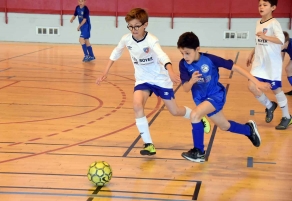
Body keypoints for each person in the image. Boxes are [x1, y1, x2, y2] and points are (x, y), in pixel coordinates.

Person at [95, 8, 210, 156]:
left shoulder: (151, 40)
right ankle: (148, 144)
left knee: (174, 111)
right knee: (137, 105)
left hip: (160, 79)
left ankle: (198, 116)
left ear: (145, 25)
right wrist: (105, 72)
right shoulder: (126, 39)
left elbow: (163, 56)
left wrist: (170, 71)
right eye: (130, 26)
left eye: (137, 26)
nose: (133, 29)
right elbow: (116, 52)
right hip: (143, 80)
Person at [177, 31, 271, 163]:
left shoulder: (210, 59)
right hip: (201, 99)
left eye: (187, 53)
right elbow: (186, 89)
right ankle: (248, 130)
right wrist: (191, 81)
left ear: (197, 49)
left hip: (216, 95)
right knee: (224, 126)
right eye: (182, 53)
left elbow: (237, 68)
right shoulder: (183, 64)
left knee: (194, 115)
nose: (185, 56)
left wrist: (257, 82)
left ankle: (199, 152)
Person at [246, 0, 291, 130]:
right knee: (251, 85)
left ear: (273, 7)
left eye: (265, 5)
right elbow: (259, 42)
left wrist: (266, 37)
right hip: (259, 62)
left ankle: (287, 117)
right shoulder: (257, 23)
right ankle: (270, 105)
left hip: (272, 63)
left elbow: (281, 40)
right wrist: (252, 52)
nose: (261, 7)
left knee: (276, 90)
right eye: (260, 5)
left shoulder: (274, 23)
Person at [281, 31, 292, 95]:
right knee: (288, 69)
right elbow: (281, 58)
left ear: (286, 43)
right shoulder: (283, 45)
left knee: (289, 68)